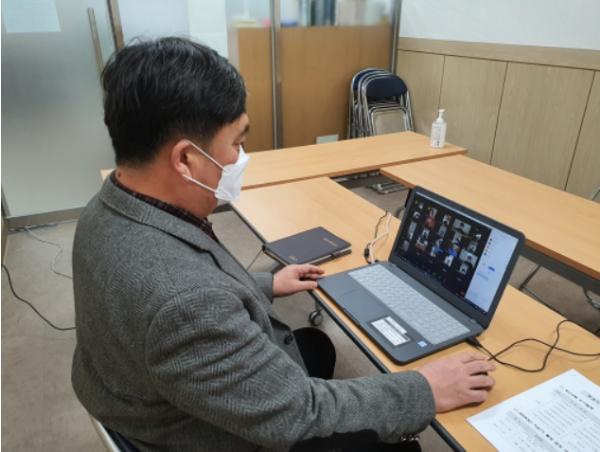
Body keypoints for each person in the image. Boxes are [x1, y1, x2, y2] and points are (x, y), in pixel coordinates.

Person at [71, 37, 495, 452]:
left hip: (144, 397)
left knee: (315, 347)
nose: (241, 158)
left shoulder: (105, 208)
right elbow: (301, 413)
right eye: (236, 143)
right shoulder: (185, 304)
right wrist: (426, 389)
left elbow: (186, 290)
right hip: (201, 434)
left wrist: (265, 284)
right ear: (185, 159)